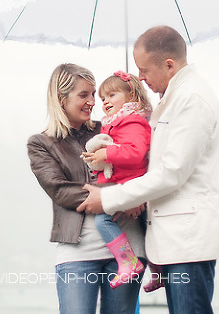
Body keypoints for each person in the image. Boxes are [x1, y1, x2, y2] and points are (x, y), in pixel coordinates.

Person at [77, 26, 219, 314]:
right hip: (175, 239)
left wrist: (110, 198)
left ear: (169, 65)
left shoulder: (192, 99)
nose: (140, 77)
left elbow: (172, 171)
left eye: (144, 70)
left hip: (189, 239)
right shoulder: (172, 98)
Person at [27, 63, 144, 314]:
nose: (92, 101)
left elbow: (141, 162)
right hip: (77, 253)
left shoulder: (113, 126)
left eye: (93, 94)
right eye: (84, 95)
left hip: (127, 250)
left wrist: (136, 194)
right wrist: (119, 197)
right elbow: (60, 190)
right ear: (61, 98)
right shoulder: (41, 143)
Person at [82, 71, 151, 289]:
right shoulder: (116, 122)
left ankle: (128, 262)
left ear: (132, 96)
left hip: (129, 184)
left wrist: (107, 153)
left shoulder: (133, 122)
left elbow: (136, 152)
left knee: (103, 221)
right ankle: (158, 271)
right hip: (123, 183)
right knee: (147, 226)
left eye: (112, 95)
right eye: (103, 98)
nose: (105, 102)